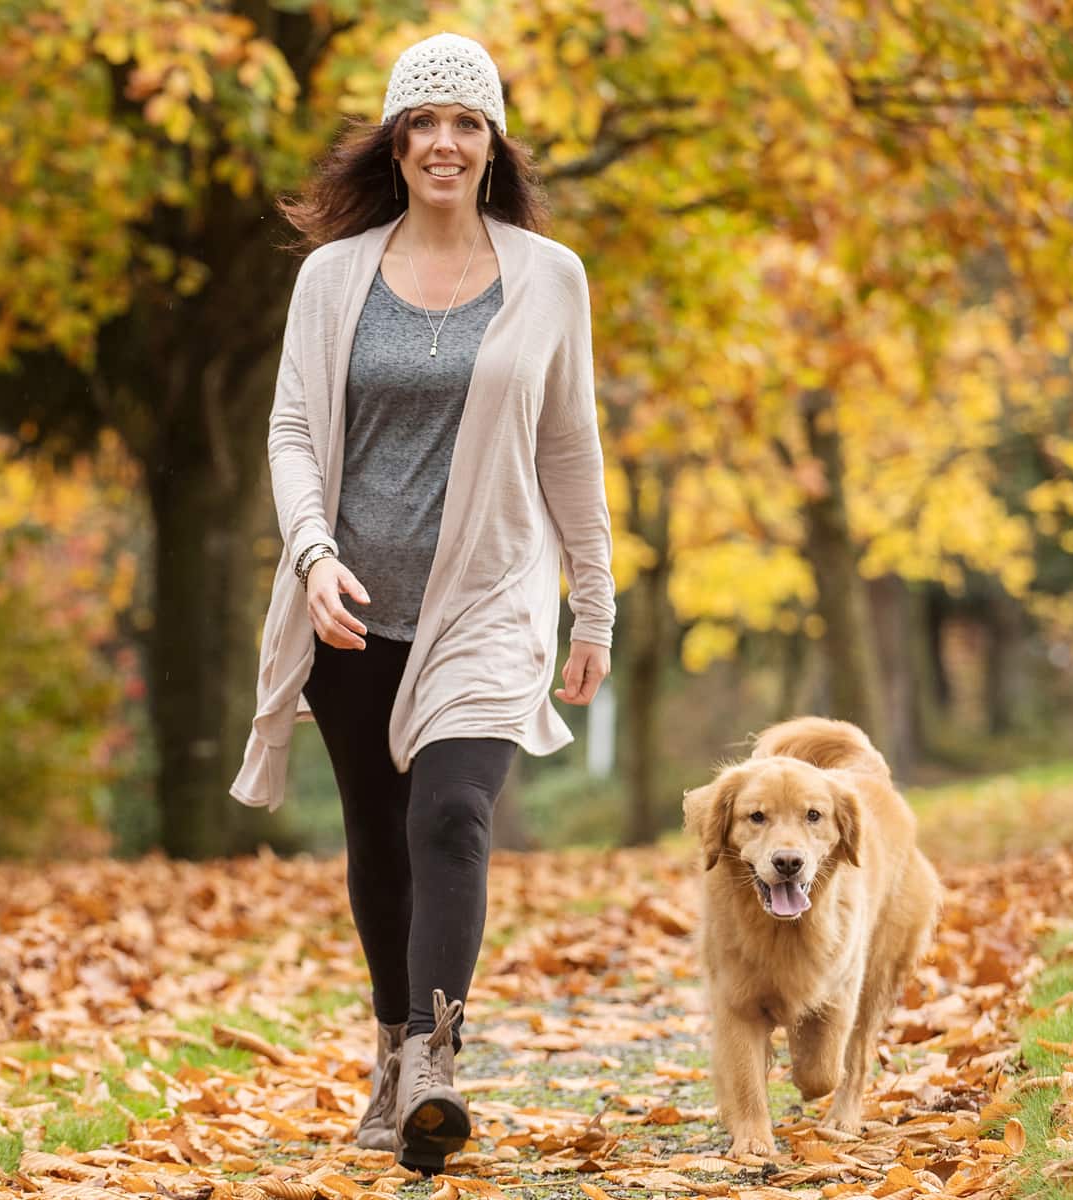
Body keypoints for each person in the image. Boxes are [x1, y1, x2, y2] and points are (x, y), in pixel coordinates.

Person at [229, 32, 615, 1176]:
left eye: (467, 123)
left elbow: (571, 445)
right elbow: (293, 429)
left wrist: (592, 605)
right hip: (352, 600)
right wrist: (310, 557)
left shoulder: (550, 276)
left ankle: (437, 1065)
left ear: (493, 145)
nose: (445, 142)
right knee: (378, 837)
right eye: (423, 124)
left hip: (492, 597)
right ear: (396, 146)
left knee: (451, 813)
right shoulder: (332, 277)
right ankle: (392, 1050)